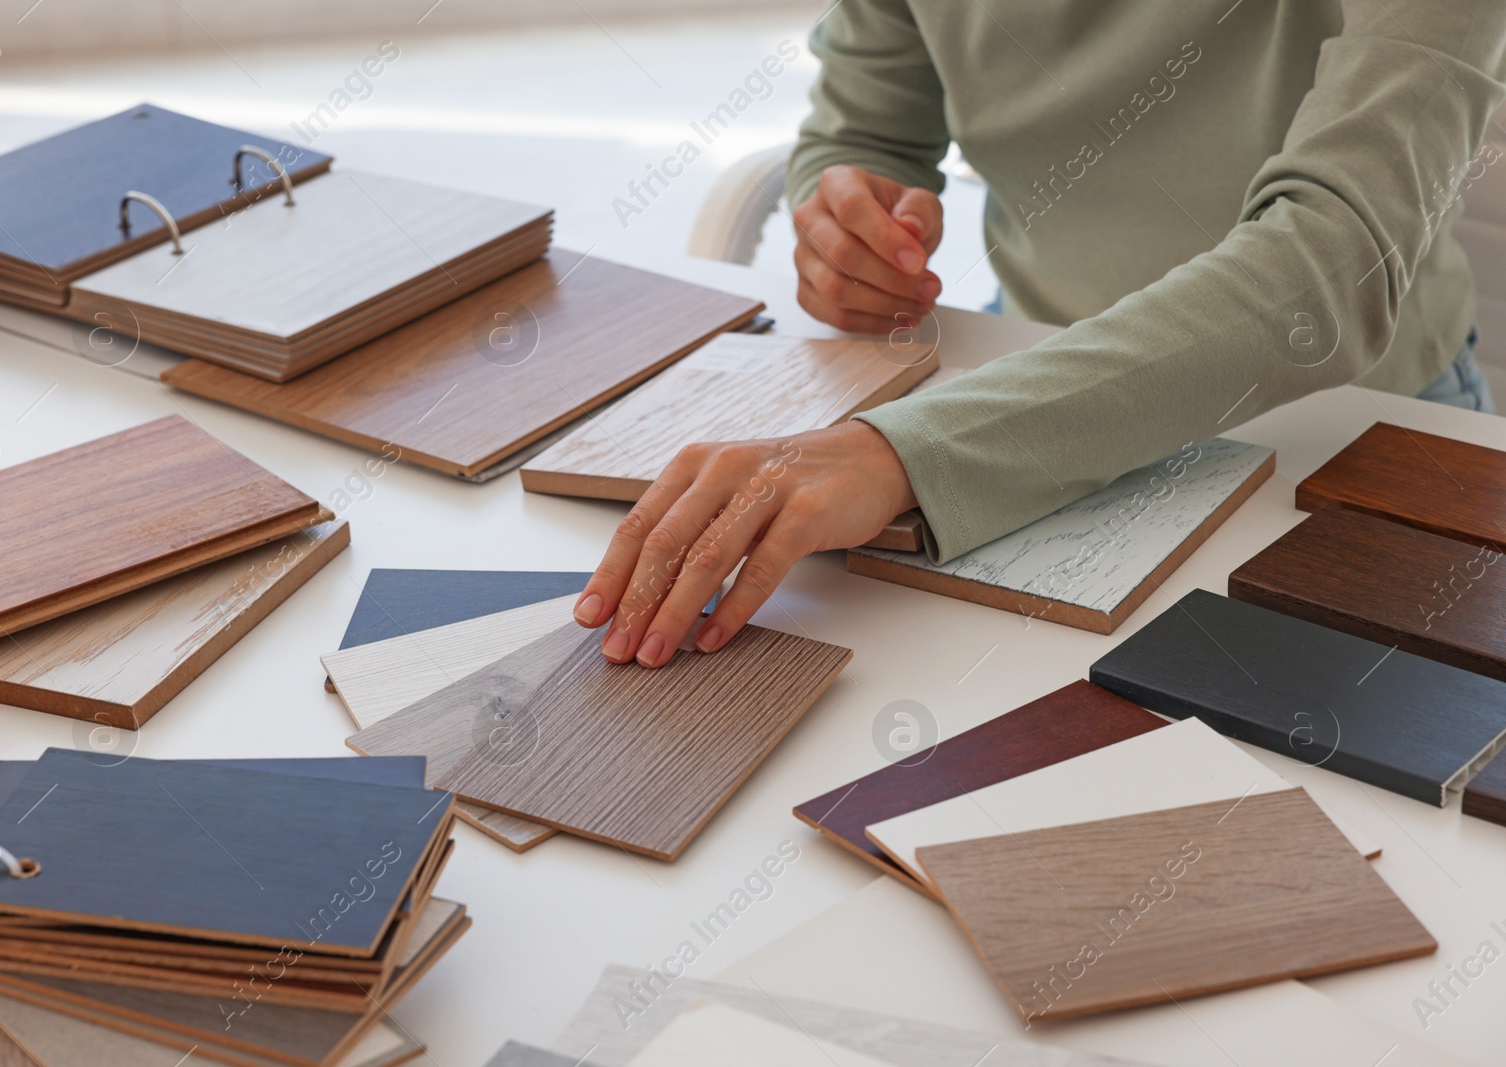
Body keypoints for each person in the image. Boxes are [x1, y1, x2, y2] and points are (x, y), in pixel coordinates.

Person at [574, 0, 1506, 668]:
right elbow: (865, 127)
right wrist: (845, 215)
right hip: (1034, 414)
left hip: (1358, 430)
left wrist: (906, 454)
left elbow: (1330, 273)